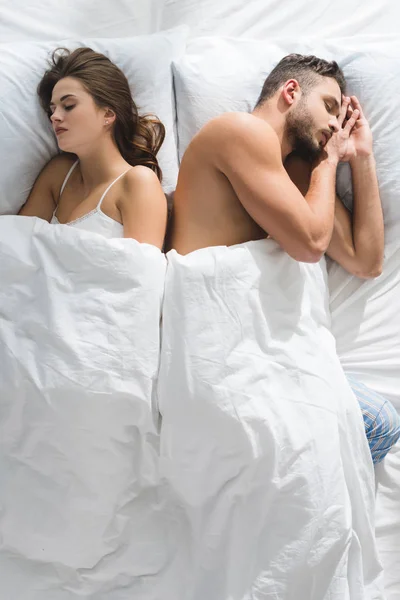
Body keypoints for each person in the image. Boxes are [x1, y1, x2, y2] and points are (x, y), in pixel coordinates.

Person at [167, 53, 400, 464]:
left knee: (381, 425)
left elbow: (367, 261)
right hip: (220, 360)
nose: (334, 125)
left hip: (260, 358)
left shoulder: (289, 174)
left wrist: (361, 157)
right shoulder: (240, 131)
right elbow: (310, 244)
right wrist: (329, 162)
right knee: (379, 422)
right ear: (291, 91)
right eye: (329, 106)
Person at [18, 47, 167, 248]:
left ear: (108, 114)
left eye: (68, 105)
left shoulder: (137, 182)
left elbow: (142, 272)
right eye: (52, 110)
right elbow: (16, 248)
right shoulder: (58, 173)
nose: (55, 116)